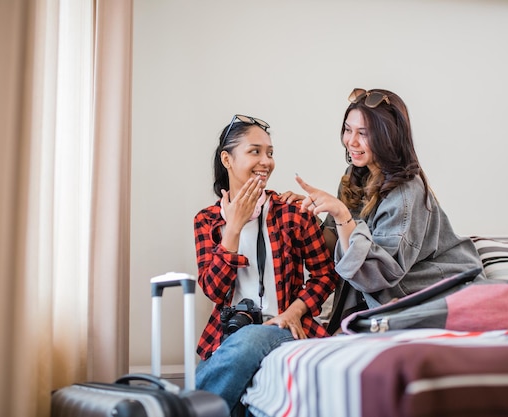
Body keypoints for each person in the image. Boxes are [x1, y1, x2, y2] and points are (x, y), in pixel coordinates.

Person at [286, 88, 484, 333]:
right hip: (385, 297)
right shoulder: (355, 176)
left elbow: (377, 274)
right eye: (348, 130)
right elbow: (338, 247)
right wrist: (305, 219)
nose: (351, 141)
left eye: (363, 133)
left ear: (387, 137)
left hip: (436, 291)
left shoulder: (405, 192)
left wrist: (342, 215)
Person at [194, 114, 338, 415]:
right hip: (228, 335)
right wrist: (232, 229)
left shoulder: (292, 213)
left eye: (270, 153)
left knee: (249, 341)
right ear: (227, 159)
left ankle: (178, 409)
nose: (266, 161)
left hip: (282, 327)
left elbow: (325, 274)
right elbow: (214, 291)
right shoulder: (207, 221)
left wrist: (293, 312)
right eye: (255, 151)